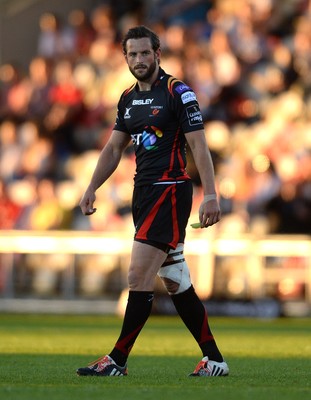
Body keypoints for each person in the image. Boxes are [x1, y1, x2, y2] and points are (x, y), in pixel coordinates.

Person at [77, 25, 229, 377]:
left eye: (145, 53)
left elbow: (200, 145)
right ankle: (214, 358)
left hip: (171, 189)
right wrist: (91, 187)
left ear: (158, 54)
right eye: (133, 54)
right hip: (142, 192)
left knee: (137, 274)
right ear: (125, 58)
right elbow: (114, 147)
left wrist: (210, 194)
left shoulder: (178, 92)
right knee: (176, 278)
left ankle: (117, 360)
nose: (139, 59)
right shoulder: (128, 98)